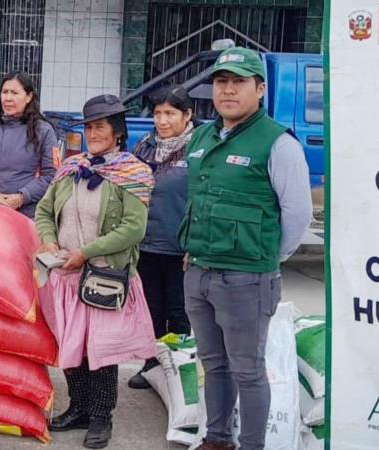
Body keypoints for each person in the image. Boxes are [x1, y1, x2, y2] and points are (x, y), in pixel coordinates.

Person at [179, 47, 313, 450]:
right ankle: (217, 438)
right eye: (222, 82)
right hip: (199, 270)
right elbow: (198, 200)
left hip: (247, 278)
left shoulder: (277, 143)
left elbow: (298, 214)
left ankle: (252, 445)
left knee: (248, 370)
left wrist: (269, 260)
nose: (229, 91)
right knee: (213, 364)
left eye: (239, 82)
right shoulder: (202, 136)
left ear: (260, 89)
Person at [34, 94, 156, 449]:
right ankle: (80, 408)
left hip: (105, 277)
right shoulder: (71, 169)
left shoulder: (132, 173)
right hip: (66, 277)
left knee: (100, 352)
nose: (93, 133)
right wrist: (49, 240)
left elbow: (133, 229)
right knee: (72, 347)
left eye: (100, 127)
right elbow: (44, 211)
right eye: (89, 127)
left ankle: (102, 416)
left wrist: (86, 253)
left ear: (117, 132)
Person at [127, 85, 196, 390]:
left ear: (187, 115)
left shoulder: (199, 149)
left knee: (179, 310)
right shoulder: (144, 145)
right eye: (157, 113)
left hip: (180, 246)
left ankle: (180, 373)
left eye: (170, 113)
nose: (162, 120)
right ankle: (151, 365)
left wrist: (194, 241)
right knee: (150, 308)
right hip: (147, 242)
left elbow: (203, 198)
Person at [0, 72, 57, 218]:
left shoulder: (43, 131)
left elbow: (51, 175)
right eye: (4, 92)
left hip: (26, 215)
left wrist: (22, 197)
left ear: (29, 97)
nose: (8, 98)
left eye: (14, 93)